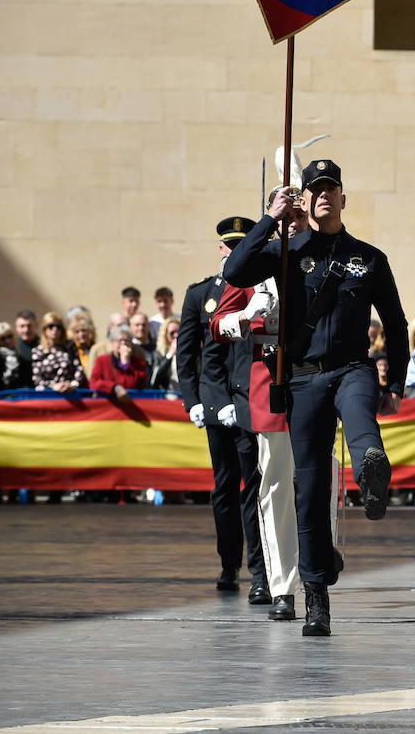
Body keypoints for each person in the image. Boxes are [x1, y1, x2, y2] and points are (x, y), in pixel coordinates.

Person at [224, 159, 407, 637]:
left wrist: (397, 385)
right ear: (304, 199)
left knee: (360, 415)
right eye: (315, 189)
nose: (324, 194)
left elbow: (397, 323)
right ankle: (317, 599)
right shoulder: (286, 250)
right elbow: (235, 270)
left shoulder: (369, 258)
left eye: (332, 188)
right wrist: (270, 218)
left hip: (352, 367)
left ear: (344, 199)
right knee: (309, 490)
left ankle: (371, 463)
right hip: (304, 380)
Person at [211, 187, 340, 623]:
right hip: (272, 380)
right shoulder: (261, 258)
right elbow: (218, 320)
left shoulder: (326, 254)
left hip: (318, 377)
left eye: (298, 217)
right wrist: (247, 319)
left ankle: (322, 558)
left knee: (323, 476)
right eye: (287, 220)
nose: (294, 227)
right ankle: (284, 585)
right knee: (278, 484)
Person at [178, 216, 268, 600]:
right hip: (218, 406)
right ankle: (229, 564)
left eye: (241, 245)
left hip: (250, 401)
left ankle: (261, 571)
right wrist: (198, 402)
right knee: (225, 489)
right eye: (230, 246)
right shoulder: (202, 293)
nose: (235, 252)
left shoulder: (260, 289)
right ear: (222, 249)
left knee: (256, 489)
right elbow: (192, 356)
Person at [31, 312, 85, 393]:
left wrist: (73, 384)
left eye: (58, 326)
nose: (55, 329)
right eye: (51, 326)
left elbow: (79, 369)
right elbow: (37, 379)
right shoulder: (38, 351)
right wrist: (54, 386)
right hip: (48, 395)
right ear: (45, 329)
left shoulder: (70, 346)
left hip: (70, 393)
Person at [89, 326, 149, 399]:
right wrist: (114, 387)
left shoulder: (139, 363)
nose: (123, 343)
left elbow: (138, 385)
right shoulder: (102, 360)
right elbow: (94, 382)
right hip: (107, 404)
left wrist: (126, 363)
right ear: (112, 343)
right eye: (119, 340)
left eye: (127, 340)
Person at [151, 316, 181, 393]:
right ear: (165, 335)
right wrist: (169, 355)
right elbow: (154, 379)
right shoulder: (158, 353)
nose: (176, 335)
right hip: (167, 398)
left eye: (179, 332)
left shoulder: (188, 353)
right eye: (172, 333)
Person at [11, 310, 38, 389]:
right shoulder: (12, 347)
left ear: (36, 325)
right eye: (22, 326)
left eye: (29, 325)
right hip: (17, 394)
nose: (26, 330)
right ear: (16, 327)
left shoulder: (44, 345)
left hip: (40, 393)